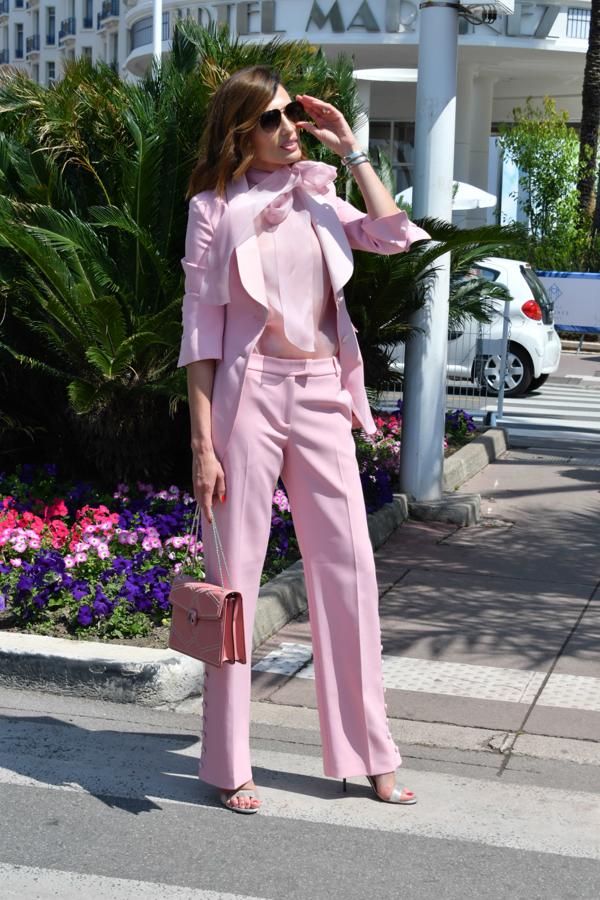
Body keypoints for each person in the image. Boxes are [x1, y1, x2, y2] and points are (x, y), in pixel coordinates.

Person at [178, 65, 430, 814]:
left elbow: (392, 235)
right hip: (247, 396)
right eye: (271, 119)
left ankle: (370, 753)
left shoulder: (322, 191)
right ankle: (228, 763)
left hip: (321, 394)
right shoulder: (212, 209)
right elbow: (199, 331)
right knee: (235, 582)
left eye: (293, 115)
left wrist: (351, 148)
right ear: (238, 131)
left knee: (348, 569)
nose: (290, 127)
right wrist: (202, 442)